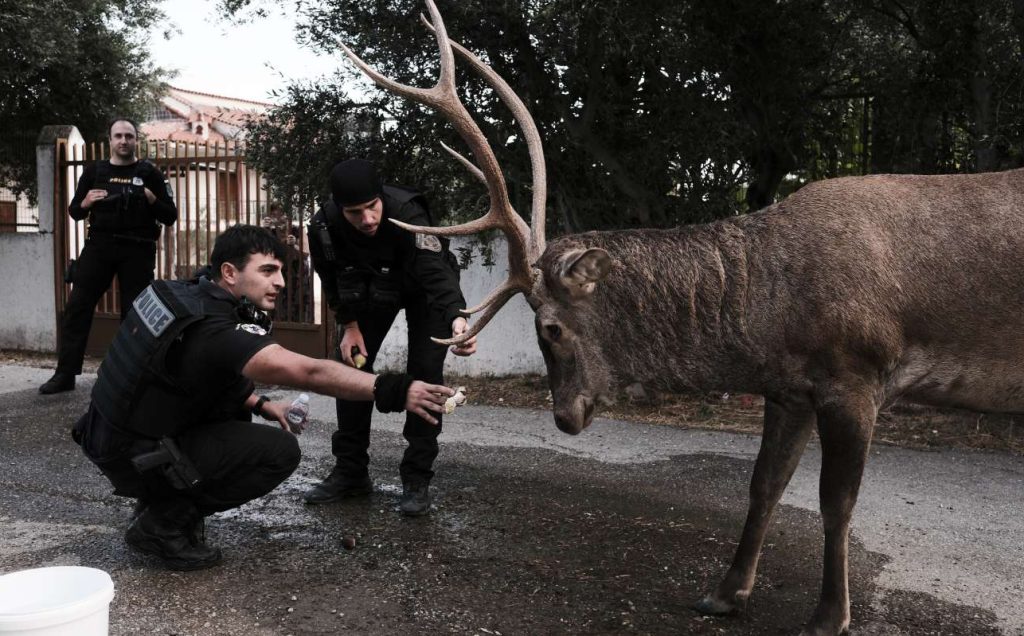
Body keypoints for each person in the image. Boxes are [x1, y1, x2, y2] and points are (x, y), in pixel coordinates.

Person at [71, 224, 454, 571]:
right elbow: (309, 371)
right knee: (278, 453)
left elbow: (191, 379)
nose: (282, 282)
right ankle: (162, 522)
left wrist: (263, 405)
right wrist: (396, 389)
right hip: (133, 454)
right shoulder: (216, 327)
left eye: (281, 271)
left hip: (113, 438)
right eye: (268, 271)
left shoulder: (185, 296)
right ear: (229, 272)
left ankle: (157, 499)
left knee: (239, 420)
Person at [305, 158, 477, 516]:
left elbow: (435, 273)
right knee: (351, 368)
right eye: (355, 212)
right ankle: (351, 473)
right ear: (339, 209)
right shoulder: (323, 226)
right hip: (374, 290)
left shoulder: (409, 215)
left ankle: (417, 478)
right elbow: (330, 276)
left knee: (426, 374)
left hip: (425, 293)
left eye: (373, 207)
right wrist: (348, 324)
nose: (367, 219)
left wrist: (457, 319)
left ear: (381, 196)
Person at [40, 118, 178, 394]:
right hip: (99, 247)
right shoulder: (94, 171)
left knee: (134, 316)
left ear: (136, 139)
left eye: (129, 136)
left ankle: (129, 377)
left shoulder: (150, 173)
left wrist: (151, 199)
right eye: (119, 136)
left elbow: (170, 216)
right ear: (110, 140)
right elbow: (75, 212)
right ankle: (65, 374)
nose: (124, 141)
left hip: (137, 250)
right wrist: (87, 202)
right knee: (77, 307)